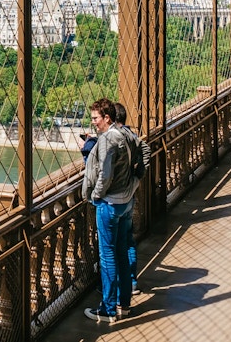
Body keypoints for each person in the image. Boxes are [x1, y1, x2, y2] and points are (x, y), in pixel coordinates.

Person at [81, 98, 139, 323]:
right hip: (126, 201)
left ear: (106, 118)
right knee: (122, 253)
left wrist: (95, 196)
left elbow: (104, 174)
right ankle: (123, 305)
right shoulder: (126, 134)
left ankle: (107, 309)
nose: (93, 122)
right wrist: (135, 183)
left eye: (95, 118)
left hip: (110, 204)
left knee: (107, 257)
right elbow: (143, 152)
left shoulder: (107, 140)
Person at [113, 102, 150, 296]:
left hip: (116, 198)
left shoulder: (114, 137)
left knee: (113, 246)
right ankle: (131, 282)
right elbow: (146, 151)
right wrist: (137, 178)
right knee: (128, 240)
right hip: (130, 195)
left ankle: (117, 289)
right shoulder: (131, 136)